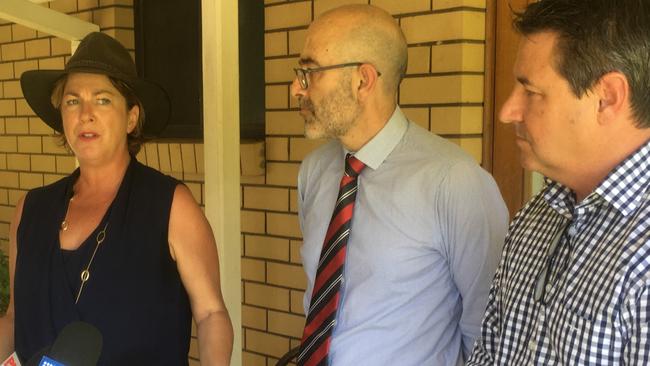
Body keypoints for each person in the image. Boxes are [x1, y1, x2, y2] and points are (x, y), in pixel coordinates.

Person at [290, 5, 508, 365]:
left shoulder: (455, 183)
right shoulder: (314, 172)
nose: (296, 89)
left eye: (309, 72)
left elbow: (488, 332)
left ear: (362, 80)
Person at [0, 32, 233, 365]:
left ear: (132, 117)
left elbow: (211, 313)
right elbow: (14, 317)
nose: (86, 113)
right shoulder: (30, 209)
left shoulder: (170, 206)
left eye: (103, 99)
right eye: (72, 100)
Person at [467, 0, 650, 364]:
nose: (507, 112)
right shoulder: (537, 217)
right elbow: (488, 353)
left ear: (607, 98)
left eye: (531, 92)